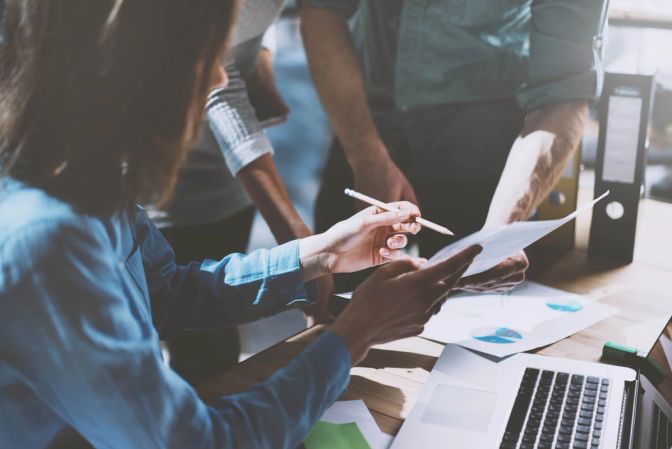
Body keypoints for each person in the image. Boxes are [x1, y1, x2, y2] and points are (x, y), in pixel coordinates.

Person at [0, 1, 508, 447]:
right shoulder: (45, 240)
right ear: (131, 60)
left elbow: (169, 293)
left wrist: (322, 253)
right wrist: (356, 334)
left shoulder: (89, 171)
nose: (220, 80)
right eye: (207, 53)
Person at [300, 0, 608, 290]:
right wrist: (366, 157)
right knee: (336, 310)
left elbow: (563, 94)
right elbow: (322, 10)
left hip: (484, 159)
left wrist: (498, 233)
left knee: (470, 319)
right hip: (361, 128)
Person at [153, 0, 333, 385]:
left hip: (228, 181)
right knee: (179, 351)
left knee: (213, 344)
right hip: (162, 180)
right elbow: (216, 81)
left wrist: (260, 54)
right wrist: (299, 241)